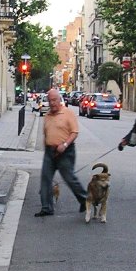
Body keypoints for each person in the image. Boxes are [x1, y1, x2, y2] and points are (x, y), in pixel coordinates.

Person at [35, 88, 88, 217]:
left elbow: (74, 132)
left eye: (54, 100)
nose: (52, 103)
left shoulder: (68, 113)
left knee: (69, 178)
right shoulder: (47, 115)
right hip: (50, 152)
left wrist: (65, 144)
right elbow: (46, 133)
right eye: (50, 100)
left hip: (65, 151)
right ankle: (46, 207)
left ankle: (85, 199)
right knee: (45, 179)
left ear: (59, 100)